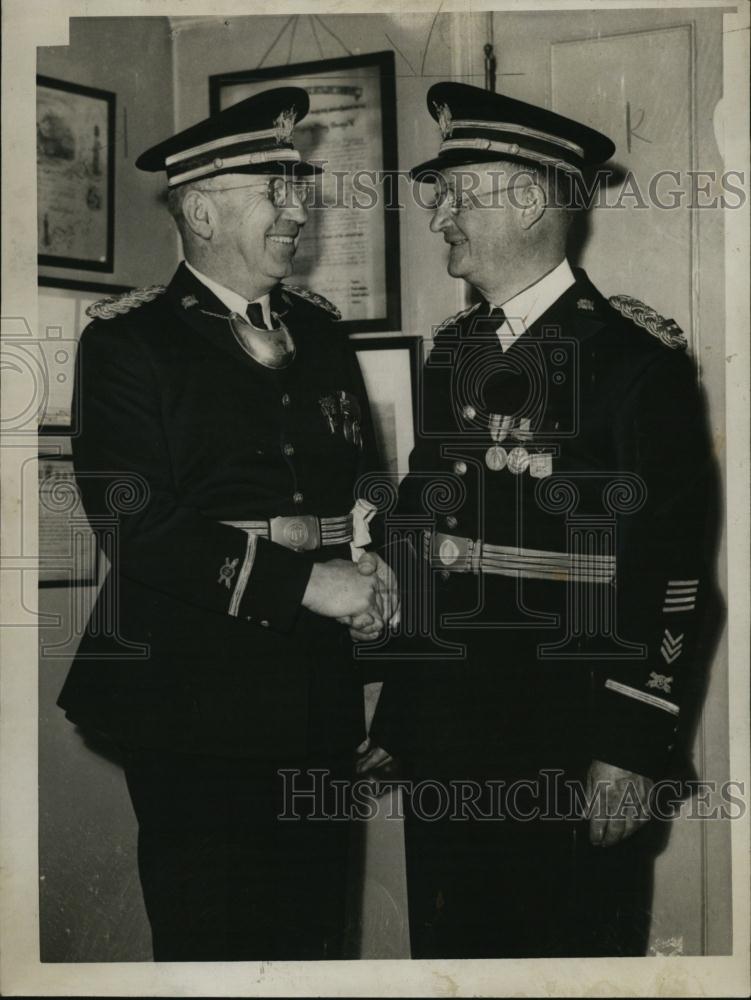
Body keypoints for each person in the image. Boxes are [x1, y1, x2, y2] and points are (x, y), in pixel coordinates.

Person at [360, 82, 718, 957]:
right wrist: (401, 714)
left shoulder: (634, 363)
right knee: (450, 956)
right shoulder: (457, 348)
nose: (438, 213)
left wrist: (632, 744)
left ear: (528, 200)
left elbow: (672, 574)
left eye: (457, 192)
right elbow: (425, 534)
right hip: (447, 732)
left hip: (566, 732)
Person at [57, 87, 397, 961]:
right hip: (191, 702)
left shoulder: (320, 333)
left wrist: (374, 567)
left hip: (315, 695)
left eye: (298, 187)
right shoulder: (129, 342)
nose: (298, 210)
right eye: (272, 190)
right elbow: (134, 523)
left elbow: (361, 484)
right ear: (201, 211)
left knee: (314, 943)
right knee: (216, 949)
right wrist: (311, 583)